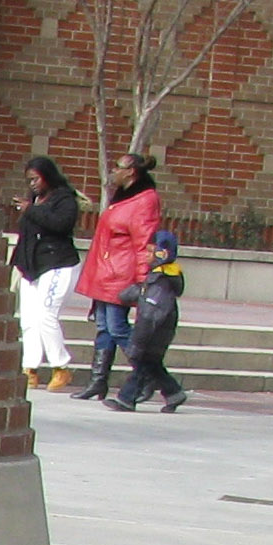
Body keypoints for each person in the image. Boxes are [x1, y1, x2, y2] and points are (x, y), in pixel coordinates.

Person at [73, 150, 161, 401]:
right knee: (104, 327)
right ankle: (98, 381)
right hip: (107, 271)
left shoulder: (144, 200)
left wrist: (143, 279)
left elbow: (144, 242)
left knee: (117, 327)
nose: (113, 171)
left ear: (131, 172)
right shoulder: (123, 197)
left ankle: (148, 376)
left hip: (120, 273)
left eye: (118, 167)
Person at [7, 155, 81, 390]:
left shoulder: (64, 199)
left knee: (46, 315)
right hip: (30, 266)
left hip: (56, 263)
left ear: (47, 176)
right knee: (29, 319)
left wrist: (31, 210)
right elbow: (26, 236)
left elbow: (61, 224)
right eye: (29, 180)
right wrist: (17, 263)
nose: (32, 184)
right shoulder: (34, 200)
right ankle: (30, 367)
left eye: (36, 179)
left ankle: (61, 366)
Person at [107, 228, 187, 413]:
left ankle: (126, 399)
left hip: (155, 332)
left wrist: (138, 341)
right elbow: (144, 293)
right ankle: (174, 393)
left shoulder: (161, 282)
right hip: (159, 330)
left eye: (151, 252)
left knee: (142, 366)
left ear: (162, 254)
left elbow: (150, 314)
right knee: (152, 365)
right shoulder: (158, 277)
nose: (146, 256)